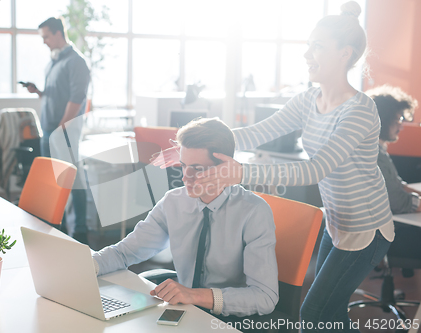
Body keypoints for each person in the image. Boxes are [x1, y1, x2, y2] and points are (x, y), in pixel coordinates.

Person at [153, 2, 392, 332]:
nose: (307, 54)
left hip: (368, 228)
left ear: (345, 53)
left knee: (314, 315)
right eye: (308, 45)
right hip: (337, 221)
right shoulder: (308, 100)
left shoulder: (360, 110)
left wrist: (242, 173)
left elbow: (314, 170)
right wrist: (195, 146)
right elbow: (257, 133)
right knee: (331, 310)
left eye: (317, 47)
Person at [93, 118, 278, 332]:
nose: (185, 177)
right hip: (186, 309)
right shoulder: (173, 202)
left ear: (225, 168)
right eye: (183, 165)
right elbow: (124, 253)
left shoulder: (254, 212)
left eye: (197, 169)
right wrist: (85, 266)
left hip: (228, 317)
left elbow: (265, 297)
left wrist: (194, 295)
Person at [24, 17, 90, 244]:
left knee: (73, 179)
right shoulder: (53, 62)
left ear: (58, 33)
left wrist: (62, 128)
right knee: (53, 181)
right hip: (49, 129)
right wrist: (39, 92)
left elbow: (77, 98)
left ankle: (80, 229)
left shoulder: (76, 62)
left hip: (64, 131)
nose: (44, 42)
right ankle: (55, 227)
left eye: (46, 37)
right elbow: (56, 95)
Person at [367, 85, 421, 262]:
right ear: (383, 119)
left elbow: (397, 185)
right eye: (398, 120)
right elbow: (398, 201)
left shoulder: (378, 150)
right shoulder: (374, 155)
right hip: (385, 233)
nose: (401, 126)